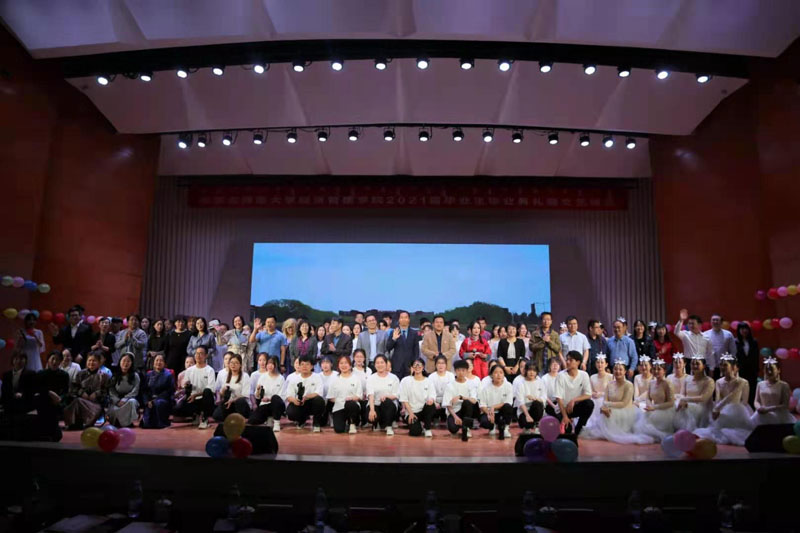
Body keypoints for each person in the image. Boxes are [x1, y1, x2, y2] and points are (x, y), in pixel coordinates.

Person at [581, 360, 653, 445]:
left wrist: (608, 405)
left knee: (610, 414)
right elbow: (605, 400)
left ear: (625, 371)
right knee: (604, 414)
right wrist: (604, 407)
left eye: (620, 369)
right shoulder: (610, 384)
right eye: (615, 369)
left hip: (625, 411)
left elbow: (623, 403)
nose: (617, 371)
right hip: (611, 409)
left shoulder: (629, 385)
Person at [693, 355, 753, 445]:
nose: (722, 367)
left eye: (725, 365)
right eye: (721, 365)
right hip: (722, 410)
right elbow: (717, 399)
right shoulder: (719, 382)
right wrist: (716, 409)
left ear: (732, 367)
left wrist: (720, 408)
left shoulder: (742, 382)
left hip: (737, 411)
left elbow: (740, 399)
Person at [64, 352, 109, 430]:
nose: (91, 362)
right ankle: (74, 424)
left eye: (94, 361)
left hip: (95, 404)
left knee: (78, 402)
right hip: (81, 401)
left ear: (99, 363)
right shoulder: (81, 374)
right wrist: (81, 392)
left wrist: (96, 394)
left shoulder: (104, 376)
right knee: (77, 401)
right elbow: (74, 388)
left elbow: (106, 391)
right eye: (89, 360)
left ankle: (83, 423)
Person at [634, 358, 675, 441]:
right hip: (653, 408)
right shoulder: (651, 383)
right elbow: (648, 398)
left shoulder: (667, 383)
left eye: (659, 369)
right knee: (639, 425)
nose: (656, 371)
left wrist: (655, 407)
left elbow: (671, 403)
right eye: (654, 369)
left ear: (664, 371)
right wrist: (649, 405)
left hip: (664, 410)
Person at [555, 351, 594, 436]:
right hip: (562, 409)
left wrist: (574, 400)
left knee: (589, 404)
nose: (567, 362)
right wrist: (565, 416)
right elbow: (559, 398)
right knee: (566, 433)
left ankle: (579, 428)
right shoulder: (561, 376)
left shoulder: (584, 375)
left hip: (574, 407)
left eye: (571, 360)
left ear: (578, 362)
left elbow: (588, 394)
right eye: (567, 360)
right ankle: (565, 422)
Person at [33, 351, 70, 440]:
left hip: (57, 402)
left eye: (57, 360)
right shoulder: (41, 374)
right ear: (48, 360)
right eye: (52, 359)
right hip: (43, 401)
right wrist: (49, 392)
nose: (54, 362)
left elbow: (65, 392)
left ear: (60, 361)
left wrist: (59, 399)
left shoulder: (64, 375)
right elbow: (36, 389)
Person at [673, 355, 714, 431]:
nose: (694, 366)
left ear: (704, 366)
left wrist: (685, 400)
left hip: (702, 409)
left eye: (697, 364)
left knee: (686, 409)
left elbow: (703, 398)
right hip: (686, 404)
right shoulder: (687, 379)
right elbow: (682, 395)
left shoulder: (709, 381)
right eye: (692, 364)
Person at [286, 356, 326, 432]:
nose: (304, 366)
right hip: (299, 403)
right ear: (299, 366)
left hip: (312, 403)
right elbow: (289, 396)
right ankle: (301, 420)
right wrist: (294, 401)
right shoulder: (294, 379)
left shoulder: (317, 377)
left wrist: (307, 397)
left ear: (312, 366)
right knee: (290, 412)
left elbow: (319, 393)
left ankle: (316, 423)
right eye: (302, 364)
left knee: (319, 400)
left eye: (307, 364)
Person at [751, 357, 795, 426]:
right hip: (762, 415)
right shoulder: (760, 384)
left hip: (778, 415)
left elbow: (785, 405)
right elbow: (756, 401)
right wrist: (759, 408)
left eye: (772, 369)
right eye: (767, 369)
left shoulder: (784, 385)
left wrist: (768, 409)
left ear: (778, 370)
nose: (769, 372)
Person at [181, 346, 217, 429]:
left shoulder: (210, 370)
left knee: (207, 391)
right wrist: (186, 385)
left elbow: (211, 390)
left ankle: (205, 418)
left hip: (205, 399)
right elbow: (185, 386)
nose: (198, 356)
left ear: (206, 355)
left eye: (201, 353)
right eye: (197, 353)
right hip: (192, 398)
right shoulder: (189, 370)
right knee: (177, 409)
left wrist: (196, 395)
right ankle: (195, 415)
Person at [326, 355, 363, 434]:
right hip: (339, 407)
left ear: (350, 365)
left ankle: (352, 423)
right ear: (338, 366)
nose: (343, 365)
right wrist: (339, 400)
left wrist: (351, 398)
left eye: (346, 363)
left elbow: (359, 396)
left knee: (350, 404)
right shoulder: (334, 380)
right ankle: (345, 423)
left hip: (352, 405)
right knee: (339, 430)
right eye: (341, 363)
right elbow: (330, 397)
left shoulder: (356, 379)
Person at [400, 358, 436, 437]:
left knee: (431, 406)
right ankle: (418, 425)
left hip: (424, 410)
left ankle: (427, 428)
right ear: (412, 367)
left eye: (419, 365)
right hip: (411, 411)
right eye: (415, 365)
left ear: (423, 367)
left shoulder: (428, 381)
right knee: (415, 432)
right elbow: (404, 399)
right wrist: (410, 413)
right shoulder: (405, 381)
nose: (417, 367)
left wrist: (431, 400)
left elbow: (432, 395)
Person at [443, 359, 479, 440]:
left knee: (467, 402)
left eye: (463, 370)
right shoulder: (450, 385)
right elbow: (448, 405)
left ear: (467, 371)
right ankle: (458, 423)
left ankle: (467, 427)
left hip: (466, 410)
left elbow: (474, 400)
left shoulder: (471, 384)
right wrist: (456, 417)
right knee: (453, 429)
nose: (461, 373)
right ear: (455, 371)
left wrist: (461, 397)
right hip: (454, 411)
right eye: (459, 370)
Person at [248, 355, 286, 432]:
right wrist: (258, 391)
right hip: (265, 404)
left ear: (276, 365)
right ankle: (269, 418)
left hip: (277, 405)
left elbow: (282, 396)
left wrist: (270, 399)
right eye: (268, 363)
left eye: (272, 363)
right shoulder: (263, 377)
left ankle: (276, 423)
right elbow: (257, 396)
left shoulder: (281, 378)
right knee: (252, 420)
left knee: (275, 398)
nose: (270, 366)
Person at [366, 354, 401, 435]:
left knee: (387, 402)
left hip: (389, 404)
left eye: (382, 362)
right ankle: (377, 423)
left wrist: (386, 396)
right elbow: (371, 395)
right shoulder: (371, 378)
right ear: (374, 365)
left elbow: (396, 395)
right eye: (377, 363)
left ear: (386, 364)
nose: (380, 365)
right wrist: (372, 410)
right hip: (375, 404)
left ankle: (388, 425)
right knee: (371, 417)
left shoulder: (394, 378)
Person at [478, 364, 515, 439]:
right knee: (484, 422)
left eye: (501, 372)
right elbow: (482, 405)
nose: (498, 375)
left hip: (502, 412)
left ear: (504, 375)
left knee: (508, 407)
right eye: (496, 372)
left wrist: (493, 407)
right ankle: (492, 427)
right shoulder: (486, 388)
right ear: (491, 375)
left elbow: (508, 402)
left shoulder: (508, 386)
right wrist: (489, 413)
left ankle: (505, 428)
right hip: (489, 412)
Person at [106, 353, 141, 428]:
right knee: (113, 407)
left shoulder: (135, 376)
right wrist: (117, 400)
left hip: (129, 398)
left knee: (132, 402)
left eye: (128, 361)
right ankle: (117, 422)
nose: (126, 363)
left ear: (131, 363)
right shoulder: (115, 375)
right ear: (120, 362)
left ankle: (127, 423)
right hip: (117, 399)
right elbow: (111, 390)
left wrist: (125, 399)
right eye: (124, 361)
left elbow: (135, 390)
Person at [213, 354, 251, 421]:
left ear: (240, 365)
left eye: (236, 363)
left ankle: (241, 418)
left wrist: (233, 400)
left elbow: (245, 395)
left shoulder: (245, 376)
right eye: (232, 362)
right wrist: (223, 391)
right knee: (216, 415)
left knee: (240, 401)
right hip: (229, 403)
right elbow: (221, 394)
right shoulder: (225, 376)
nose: (233, 365)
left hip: (240, 403)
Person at [141, 354, 175, 429]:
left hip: (163, 399)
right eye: (157, 360)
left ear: (164, 363)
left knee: (158, 403)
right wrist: (147, 401)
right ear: (153, 363)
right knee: (147, 424)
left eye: (161, 360)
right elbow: (144, 390)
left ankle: (162, 422)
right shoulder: (148, 375)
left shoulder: (168, 375)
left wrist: (154, 400)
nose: (158, 362)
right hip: (150, 400)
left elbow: (169, 391)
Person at [674, 310, 713, 375]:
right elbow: (676, 332)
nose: (690, 325)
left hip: (702, 363)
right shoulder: (685, 335)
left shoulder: (707, 337)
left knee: (701, 380)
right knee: (689, 380)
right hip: (689, 363)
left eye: (693, 323)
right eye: (689, 323)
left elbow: (710, 353)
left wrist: (711, 368)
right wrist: (681, 320)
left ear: (699, 325)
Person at [386, 311, 420, 380]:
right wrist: (394, 339)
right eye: (401, 317)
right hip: (396, 367)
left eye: (405, 317)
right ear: (399, 320)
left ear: (409, 319)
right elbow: (388, 347)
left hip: (409, 367)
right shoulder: (394, 332)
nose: (403, 319)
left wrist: (415, 365)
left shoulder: (414, 333)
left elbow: (416, 351)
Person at [1, 352, 36, 418]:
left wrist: (22, 394)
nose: (18, 361)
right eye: (16, 359)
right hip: (9, 405)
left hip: (24, 404)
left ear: (25, 361)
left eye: (21, 359)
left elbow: (32, 390)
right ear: (12, 360)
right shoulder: (6, 375)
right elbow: (4, 391)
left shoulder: (31, 374)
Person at [515, 363, 546, 434]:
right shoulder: (520, 384)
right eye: (529, 370)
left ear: (537, 372)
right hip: (524, 411)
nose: (532, 372)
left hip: (536, 409)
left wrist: (534, 398)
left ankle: (537, 426)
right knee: (526, 423)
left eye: (534, 370)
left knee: (537, 404)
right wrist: (527, 415)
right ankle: (527, 428)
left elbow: (544, 397)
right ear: (525, 371)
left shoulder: (540, 382)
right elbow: (520, 402)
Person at [703, 314, 737, 379]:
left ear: (721, 322)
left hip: (725, 366)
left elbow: (733, 351)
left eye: (717, 320)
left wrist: (732, 365)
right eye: (713, 320)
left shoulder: (728, 334)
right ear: (711, 322)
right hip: (709, 367)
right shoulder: (705, 334)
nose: (715, 322)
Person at [735, 322, 759, 405]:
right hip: (740, 370)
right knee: (741, 390)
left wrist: (756, 370)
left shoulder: (754, 342)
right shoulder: (735, 342)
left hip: (752, 371)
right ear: (738, 331)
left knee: (752, 390)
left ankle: (752, 406)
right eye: (742, 329)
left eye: (746, 328)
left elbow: (756, 357)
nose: (744, 330)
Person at [428, 355, 454, 425]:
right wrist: (434, 402)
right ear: (435, 365)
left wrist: (446, 402)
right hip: (436, 401)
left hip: (447, 401)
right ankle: (435, 417)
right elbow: (430, 392)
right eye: (438, 363)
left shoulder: (451, 375)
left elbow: (452, 391)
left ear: (446, 365)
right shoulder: (431, 376)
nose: (441, 365)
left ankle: (447, 417)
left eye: (443, 363)